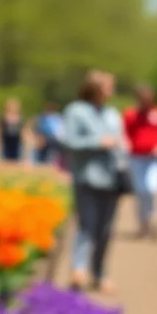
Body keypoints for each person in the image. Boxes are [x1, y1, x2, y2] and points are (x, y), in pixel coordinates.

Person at [62, 70, 126, 293]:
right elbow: (69, 141)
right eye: (108, 85)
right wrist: (97, 141)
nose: (112, 89)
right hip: (87, 177)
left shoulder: (112, 114)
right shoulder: (76, 111)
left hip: (112, 178)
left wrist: (122, 149)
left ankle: (99, 272)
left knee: (105, 230)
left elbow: (122, 141)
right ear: (96, 87)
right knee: (86, 225)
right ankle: (78, 269)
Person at [123, 85, 157, 238]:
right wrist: (127, 144)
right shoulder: (131, 114)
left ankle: (153, 218)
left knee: (153, 188)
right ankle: (142, 222)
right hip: (136, 158)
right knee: (140, 190)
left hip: (154, 159)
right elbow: (124, 133)